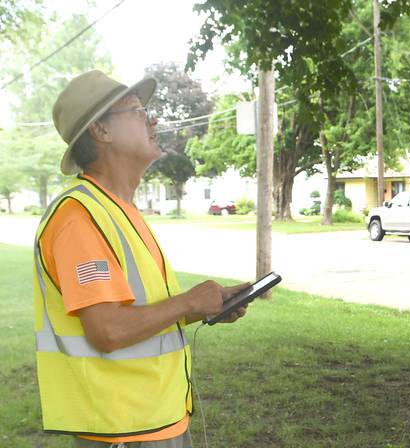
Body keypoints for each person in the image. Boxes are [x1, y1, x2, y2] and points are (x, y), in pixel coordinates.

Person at [33, 70, 249, 447]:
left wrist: (204, 307)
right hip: (123, 430)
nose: (153, 119)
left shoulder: (119, 210)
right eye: (136, 110)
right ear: (102, 131)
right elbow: (108, 330)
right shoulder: (79, 218)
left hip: (156, 421)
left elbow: (144, 312)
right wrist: (187, 301)